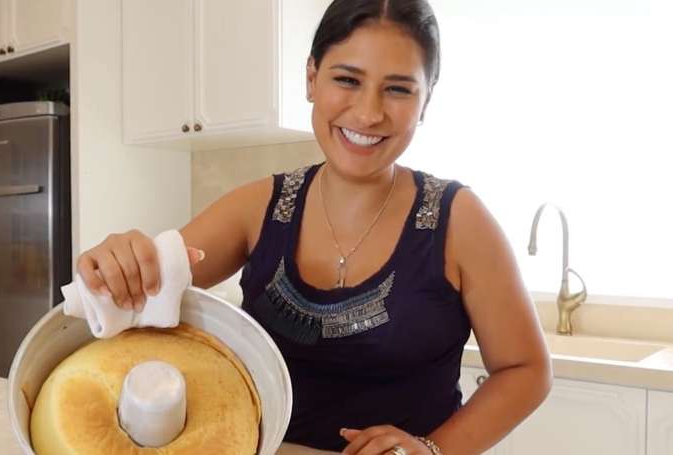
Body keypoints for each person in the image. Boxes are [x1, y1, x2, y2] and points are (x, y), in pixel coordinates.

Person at [77, 0, 552, 453]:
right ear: (311, 78)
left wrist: (432, 448)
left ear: (425, 101)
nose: (368, 113)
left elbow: (526, 369)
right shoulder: (259, 206)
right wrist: (116, 266)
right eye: (347, 79)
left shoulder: (460, 220)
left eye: (399, 88)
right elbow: (142, 286)